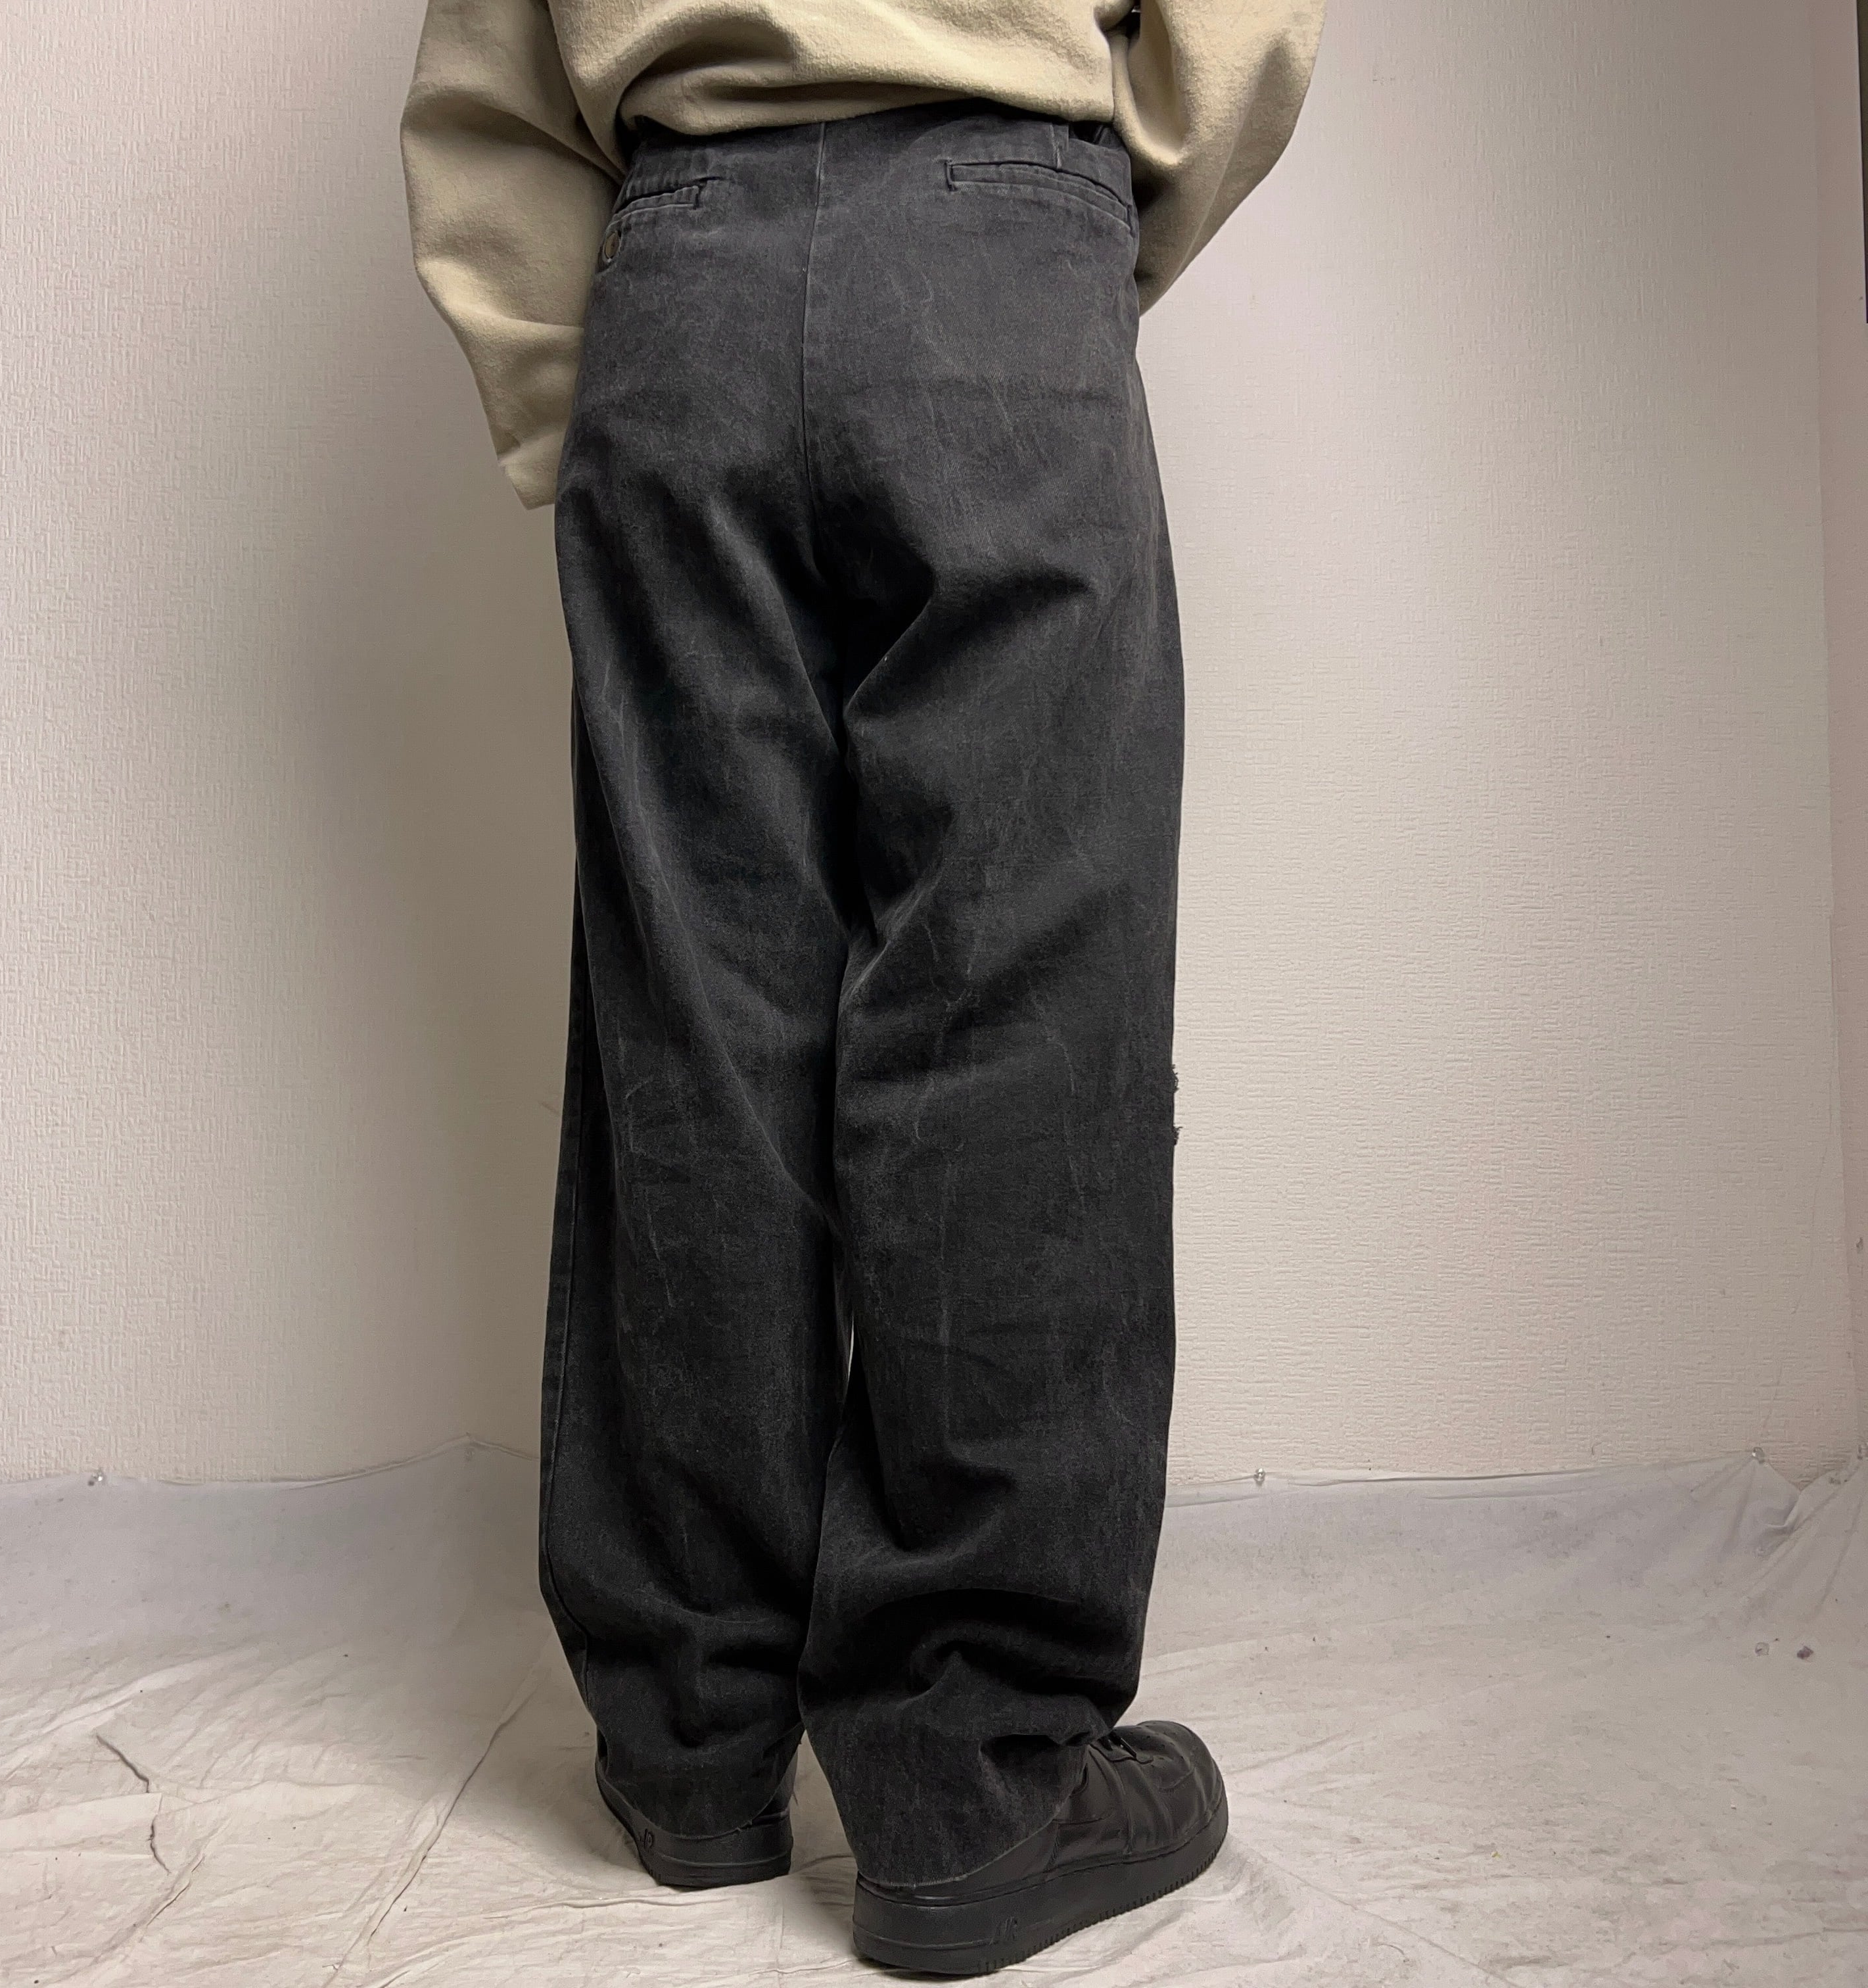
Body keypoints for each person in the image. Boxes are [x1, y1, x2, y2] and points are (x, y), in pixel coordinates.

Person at [401, 3, 1322, 1972]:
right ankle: (974, 1780)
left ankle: (694, 1745)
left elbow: (491, 81)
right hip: (999, 243)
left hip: (677, 280)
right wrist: (1040, 243)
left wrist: (598, 382)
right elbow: (1234, 34)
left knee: (695, 1018)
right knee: (1013, 1011)